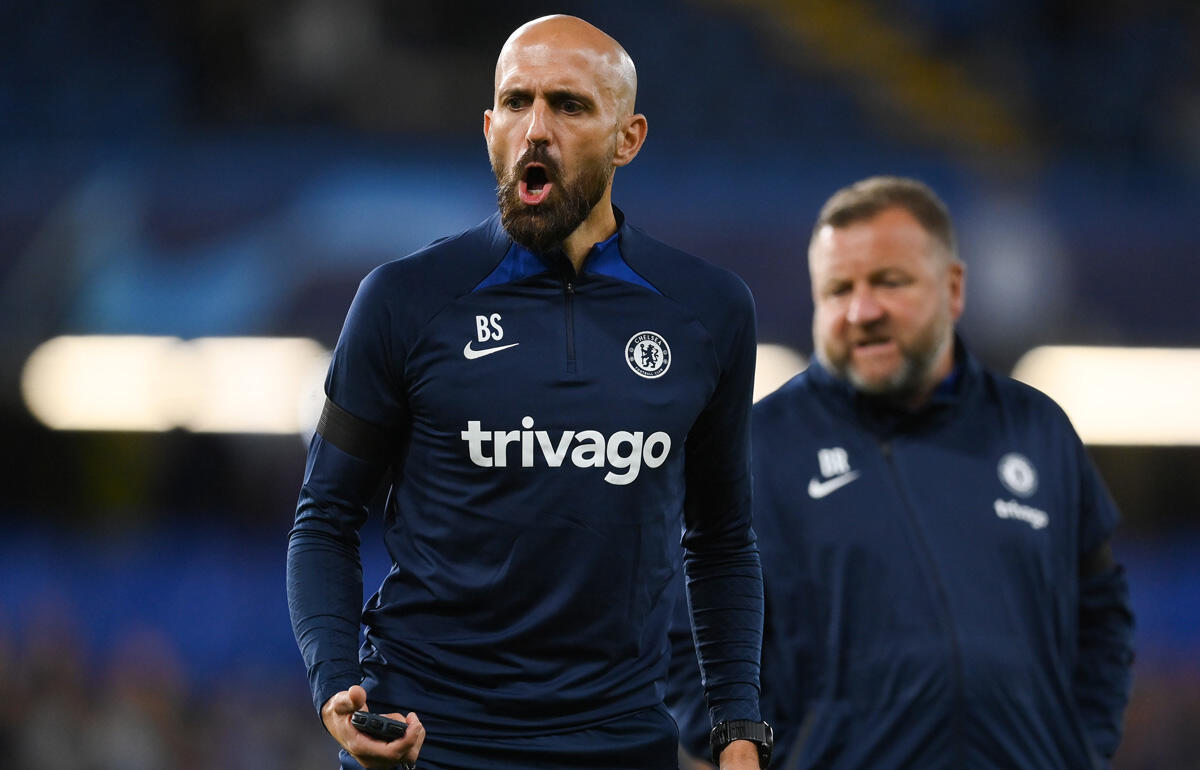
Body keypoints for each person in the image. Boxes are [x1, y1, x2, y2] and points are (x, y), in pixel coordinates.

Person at [286, 15, 770, 770]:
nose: (536, 128)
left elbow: (722, 540)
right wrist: (334, 685)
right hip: (424, 739)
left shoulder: (709, 312)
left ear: (628, 138)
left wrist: (736, 725)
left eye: (569, 105)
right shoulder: (402, 300)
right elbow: (324, 518)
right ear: (490, 128)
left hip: (620, 743)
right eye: (517, 102)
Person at [667, 176, 1135, 769]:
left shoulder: (1038, 429)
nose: (862, 311)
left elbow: (1102, 612)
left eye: (889, 282)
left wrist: (1082, 750)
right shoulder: (755, 448)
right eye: (839, 290)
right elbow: (683, 645)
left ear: (953, 288)